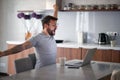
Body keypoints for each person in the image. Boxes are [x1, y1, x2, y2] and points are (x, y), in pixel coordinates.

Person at [0, 4, 58, 69]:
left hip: (51, 71)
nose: (56, 27)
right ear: (46, 26)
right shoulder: (38, 38)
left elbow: (54, 20)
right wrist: (2, 53)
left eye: (56, 25)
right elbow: (22, 47)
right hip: (41, 73)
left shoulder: (50, 36)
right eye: (54, 25)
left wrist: (56, 10)